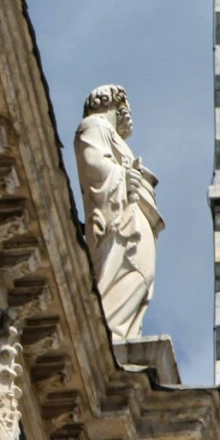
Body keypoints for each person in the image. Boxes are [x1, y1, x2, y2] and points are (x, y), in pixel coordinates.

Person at [74, 84, 163, 338]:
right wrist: (124, 177)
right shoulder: (95, 126)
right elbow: (93, 164)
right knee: (129, 272)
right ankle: (110, 330)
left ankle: (119, 331)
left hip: (134, 216)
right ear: (117, 103)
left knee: (141, 275)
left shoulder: (110, 134)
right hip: (121, 220)